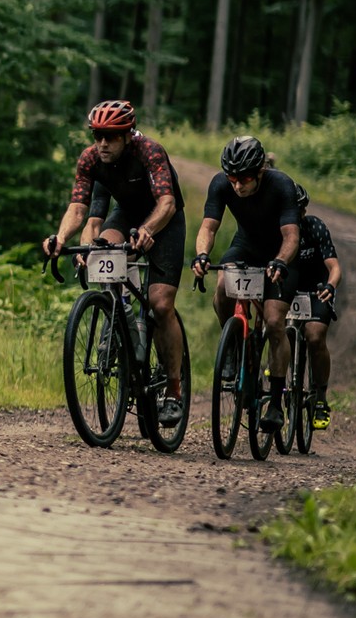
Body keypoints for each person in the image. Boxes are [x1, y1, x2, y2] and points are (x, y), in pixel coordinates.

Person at [41, 100, 187, 427]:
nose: (102, 143)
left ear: (127, 136)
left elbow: (167, 202)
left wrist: (148, 230)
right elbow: (78, 209)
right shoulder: (90, 158)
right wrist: (62, 238)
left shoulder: (149, 151)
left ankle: (174, 389)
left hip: (164, 221)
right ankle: (118, 318)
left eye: (111, 136)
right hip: (126, 214)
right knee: (102, 250)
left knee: (160, 304)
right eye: (97, 135)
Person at [192, 134, 301, 431]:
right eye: (232, 178)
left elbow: (292, 235)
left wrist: (280, 260)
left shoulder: (281, 185)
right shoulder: (220, 184)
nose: (238, 185)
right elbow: (208, 227)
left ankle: (277, 403)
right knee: (222, 286)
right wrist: (202, 255)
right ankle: (233, 347)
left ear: (260, 172)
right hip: (246, 244)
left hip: (279, 251)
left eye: (245, 178)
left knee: (275, 322)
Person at [290, 184, 341, 430]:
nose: (294, 215)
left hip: (316, 288)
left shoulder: (315, 227)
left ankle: (320, 396)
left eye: (298, 210)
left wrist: (330, 287)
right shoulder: (274, 228)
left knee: (314, 335)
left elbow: (334, 267)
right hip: (288, 290)